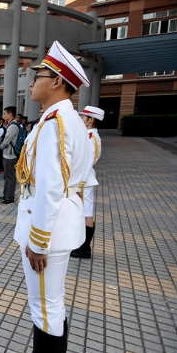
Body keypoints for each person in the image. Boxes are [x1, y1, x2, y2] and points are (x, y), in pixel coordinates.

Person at [1, 40, 91, 353]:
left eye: (38, 74)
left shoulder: (56, 122)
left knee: (47, 303)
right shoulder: (62, 118)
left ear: (56, 82)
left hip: (48, 234)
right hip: (56, 226)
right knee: (48, 301)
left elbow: (52, 188)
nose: (32, 79)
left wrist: (37, 242)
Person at [71, 106, 104, 259]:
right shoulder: (89, 135)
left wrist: (79, 185)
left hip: (85, 181)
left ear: (91, 120)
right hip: (84, 180)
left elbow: (87, 163)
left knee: (86, 214)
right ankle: (82, 246)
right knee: (84, 213)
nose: (80, 120)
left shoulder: (91, 137)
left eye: (83, 118)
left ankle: (84, 248)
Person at [0, 107, 19, 204]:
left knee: (10, 177)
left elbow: (6, 140)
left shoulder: (13, 126)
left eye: (5, 113)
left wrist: (0, 146)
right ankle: (5, 195)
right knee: (6, 177)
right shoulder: (10, 125)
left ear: (10, 114)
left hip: (11, 155)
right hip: (7, 154)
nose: (4, 116)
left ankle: (10, 197)